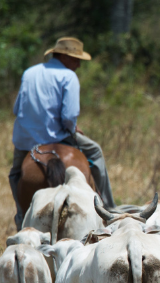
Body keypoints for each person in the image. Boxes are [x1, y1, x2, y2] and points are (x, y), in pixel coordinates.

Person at [9, 37, 116, 229]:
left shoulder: (29, 72)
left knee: (16, 173)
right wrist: (72, 127)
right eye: (76, 60)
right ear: (64, 57)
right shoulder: (68, 77)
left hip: (25, 140)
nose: (78, 65)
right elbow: (68, 116)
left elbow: (17, 109)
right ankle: (109, 210)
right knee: (96, 152)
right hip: (56, 135)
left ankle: (20, 216)